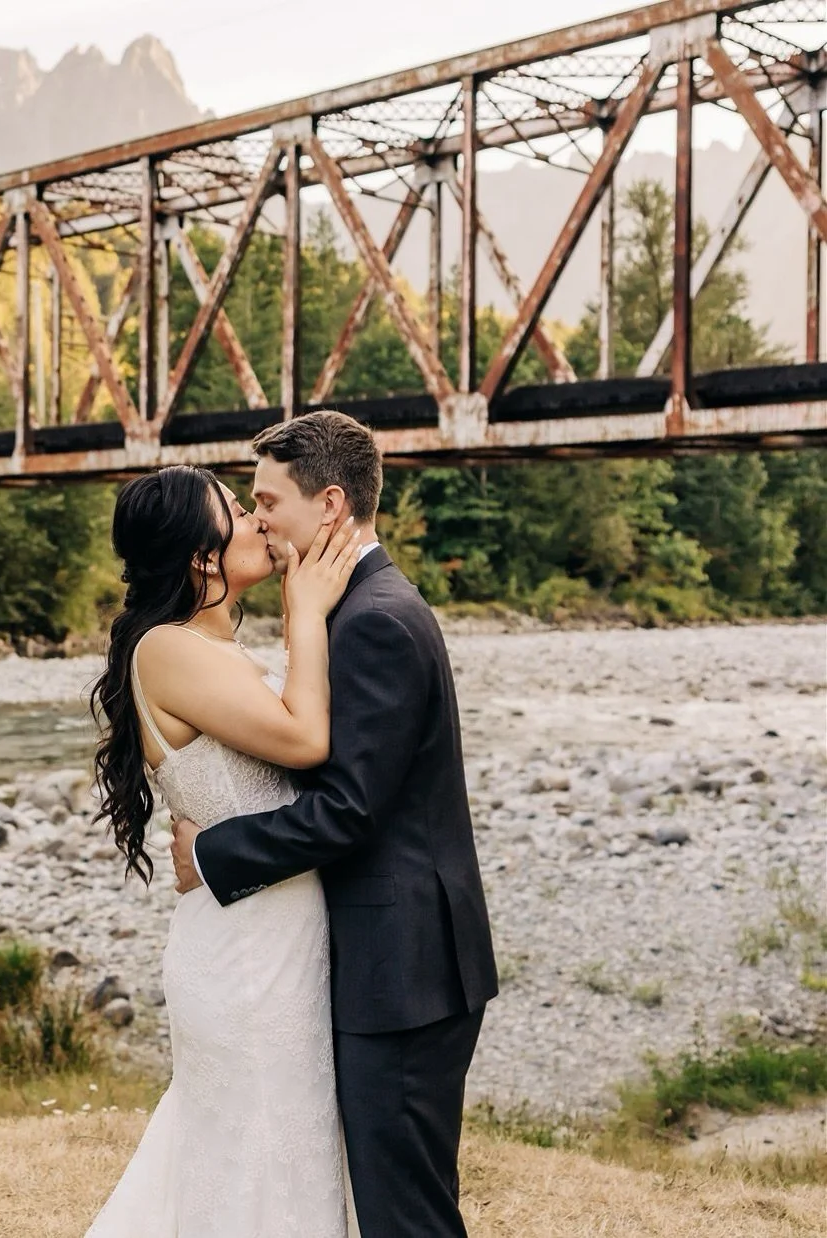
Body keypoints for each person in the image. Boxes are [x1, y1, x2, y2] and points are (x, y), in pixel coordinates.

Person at [171, 410, 498, 1238]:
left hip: (405, 973)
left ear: (328, 505)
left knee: (406, 1217)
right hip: (400, 963)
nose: (258, 522)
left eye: (266, 502)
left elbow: (348, 811)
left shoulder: (374, 621)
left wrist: (211, 852)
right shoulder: (351, 610)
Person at [85, 462, 363, 1238]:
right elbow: (307, 741)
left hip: (278, 941)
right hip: (245, 957)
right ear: (200, 555)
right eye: (238, 513)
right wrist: (306, 611)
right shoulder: (168, 649)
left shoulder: (210, 645)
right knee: (258, 1163)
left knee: (281, 1157)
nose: (258, 522)